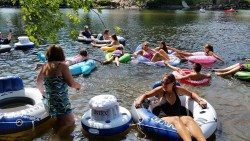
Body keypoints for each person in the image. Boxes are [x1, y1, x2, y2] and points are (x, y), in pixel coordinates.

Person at [134, 73, 207, 141]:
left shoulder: (177, 89)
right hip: (164, 118)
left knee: (189, 118)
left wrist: (200, 100)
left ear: (173, 83)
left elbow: (191, 94)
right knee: (176, 119)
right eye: (162, 82)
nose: (164, 85)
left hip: (178, 117)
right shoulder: (160, 90)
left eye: (166, 83)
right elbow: (146, 95)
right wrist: (139, 101)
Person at [36, 45, 81, 137]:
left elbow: (38, 81)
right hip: (61, 100)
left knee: (60, 120)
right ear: (61, 54)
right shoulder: (62, 66)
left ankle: (55, 132)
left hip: (50, 99)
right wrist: (79, 86)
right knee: (70, 123)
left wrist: (43, 93)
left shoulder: (45, 66)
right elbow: (71, 84)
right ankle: (56, 138)